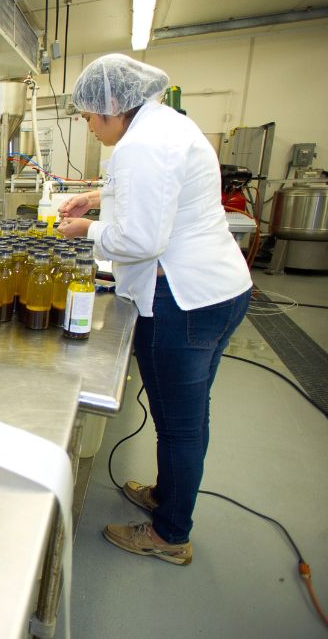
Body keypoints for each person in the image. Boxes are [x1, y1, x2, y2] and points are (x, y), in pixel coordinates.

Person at [57, 54, 251, 566]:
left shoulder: (140, 145)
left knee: (180, 425)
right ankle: (168, 497)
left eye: (89, 116)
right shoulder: (168, 125)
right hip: (219, 290)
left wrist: (87, 230)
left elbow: (141, 239)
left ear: (112, 105)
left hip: (182, 302)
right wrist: (95, 197)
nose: (88, 125)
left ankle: (170, 534)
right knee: (186, 417)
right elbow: (158, 193)